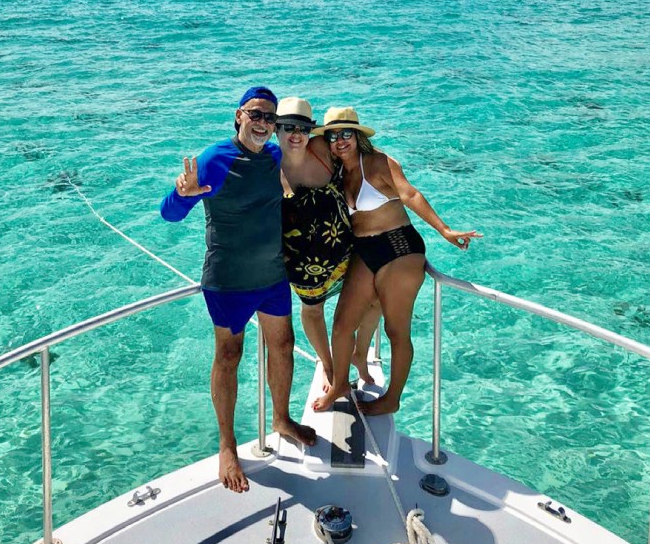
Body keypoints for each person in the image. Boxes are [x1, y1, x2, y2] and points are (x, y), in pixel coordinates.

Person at [160, 86, 316, 493]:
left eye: (270, 118)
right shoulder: (214, 159)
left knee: (282, 345)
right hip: (228, 279)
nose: (263, 123)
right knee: (229, 356)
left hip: (272, 277)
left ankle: (281, 418)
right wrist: (181, 194)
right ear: (238, 116)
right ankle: (227, 445)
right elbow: (169, 215)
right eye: (256, 114)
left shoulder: (275, 156)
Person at [311, 106, 482, 416]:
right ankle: (339, 384)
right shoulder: (336, 171)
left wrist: (444, 229)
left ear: (358, 136)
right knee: (341, 325)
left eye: (346, 133)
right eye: (333, 135)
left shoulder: (377, 162)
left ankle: (392, 398)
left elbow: (410, 195)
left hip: (400, 247)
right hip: (366, 249)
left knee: (396, 330)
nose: (340, 141)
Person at [275, 97, 381, 388]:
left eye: (303, 128)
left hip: (347, 249)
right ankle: (328, 362)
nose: (295, 135)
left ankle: (359, 353)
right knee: (314, 311)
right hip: (302, 264)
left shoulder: (321, 149)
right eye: (287, 127)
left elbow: (359, 159)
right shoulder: (267, 168)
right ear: (275, 129)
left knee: (377, 298)